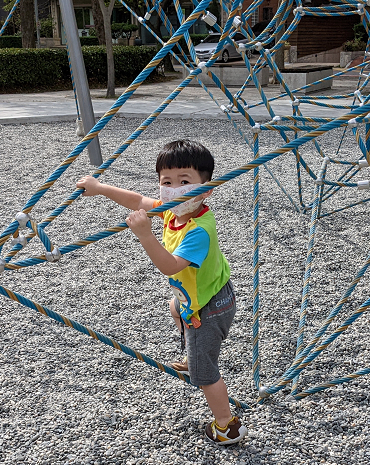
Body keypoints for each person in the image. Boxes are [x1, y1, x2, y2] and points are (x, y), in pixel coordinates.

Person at [76, 140, 246, 446]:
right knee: (174, 306)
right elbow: (139, 200)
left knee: (204, 372)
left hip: (211, 306)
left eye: (185, 182)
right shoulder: (173, 212)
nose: (173, 189)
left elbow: (169, 266)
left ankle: (227, 425)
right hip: (200, 297)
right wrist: (101, 188)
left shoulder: (198, 230)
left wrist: (145, 235)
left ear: (206, 189)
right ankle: (191, 353)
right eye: (167, 182)